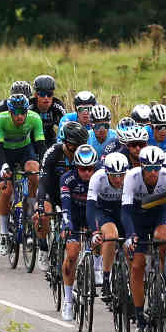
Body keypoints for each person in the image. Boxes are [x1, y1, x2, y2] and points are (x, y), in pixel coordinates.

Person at [121, 145, 166, 332]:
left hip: (160, 213)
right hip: (137, 216)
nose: (153, 172)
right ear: (141, 166)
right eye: (149, 168)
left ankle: (164, 279)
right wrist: (130, 235)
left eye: (157, 168)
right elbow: (126, 211)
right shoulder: (131, 177)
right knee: (137, 266)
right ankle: (140, 321)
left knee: (164, 240)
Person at [0, 93, 44, 256]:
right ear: (10, 112)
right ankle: (3, 233)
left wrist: (44, 166)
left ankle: (29, 212)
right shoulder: (0, 119)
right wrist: (3, 166)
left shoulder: (34, 118)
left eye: (23, 112)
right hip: (6, 153)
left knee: (35, 173)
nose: (20, 116)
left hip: (24, 151)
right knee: (6, 190)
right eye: (16, 113)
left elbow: (40, 146)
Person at [59, 145, 101, 320]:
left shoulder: (100, 178)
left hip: (94, 216)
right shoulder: (67, 179)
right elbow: (66, 206)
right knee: (72, 256)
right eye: (83, 169)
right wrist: (67, 224)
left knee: (101, 239)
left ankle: (97, 266)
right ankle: (68, 300)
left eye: (90, 169)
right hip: (74, 217)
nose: (87, 173)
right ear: (76, 167)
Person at [38, 122, 89, 250]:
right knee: (42, 215)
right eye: (74, 145)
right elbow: (43, 180)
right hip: (52, 192)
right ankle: (43, 247)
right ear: (65, 142)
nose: (78, 148)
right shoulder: (53, 152)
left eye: (81, 144)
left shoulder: (85, 154)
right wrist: (40, 205)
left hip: (73, 195)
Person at [88, 152, 129, 302]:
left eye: (121, 175)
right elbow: (90, 207)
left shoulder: (130, 178)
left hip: (123, 211)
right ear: (106, 172)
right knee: (111, 236)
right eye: (113, 176)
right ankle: (106, 279)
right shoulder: (97, 178)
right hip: (103, 211)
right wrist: (94, 231)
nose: (118, 180)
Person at [29, 74, 67, 155]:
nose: (46, 98)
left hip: (49, 138)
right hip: (31, 140)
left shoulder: (57, 106)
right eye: (42, 94)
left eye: (49, 94)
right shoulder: (30, 107)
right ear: (36, 95)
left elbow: (65, 127)